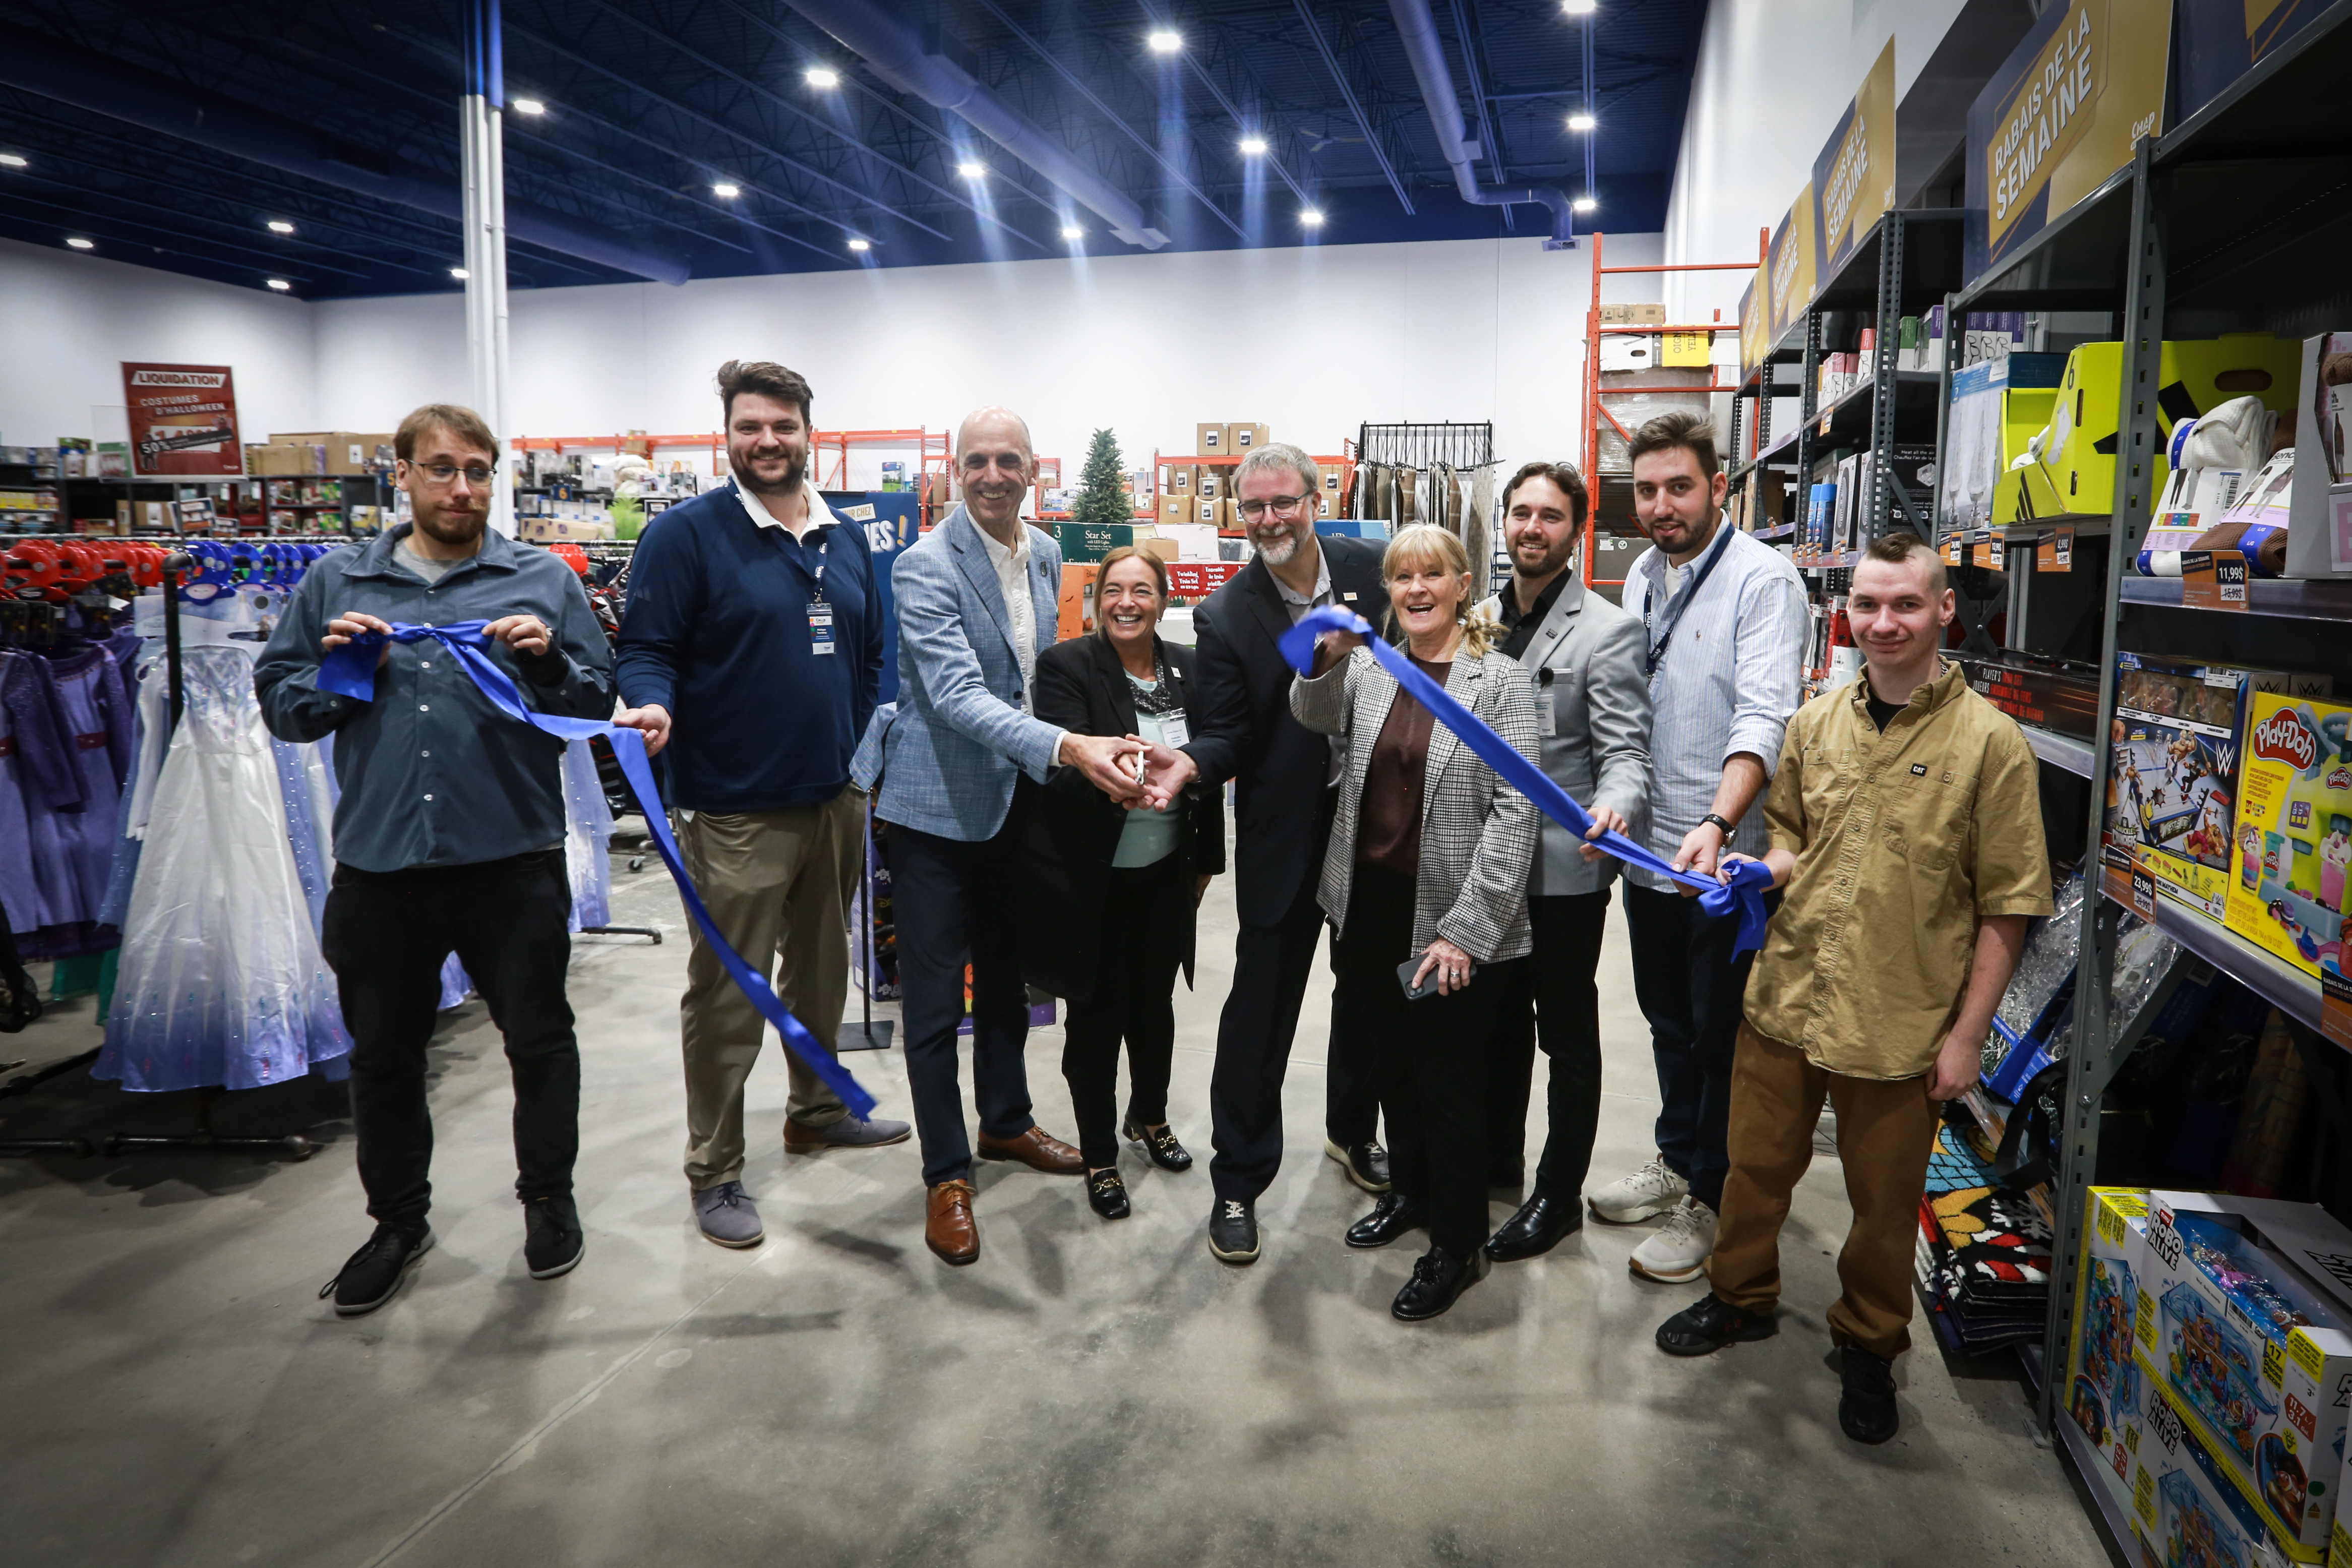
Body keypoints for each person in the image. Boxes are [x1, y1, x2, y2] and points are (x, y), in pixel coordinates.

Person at [1655, 531, 2050, 1445]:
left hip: (1898, 1017)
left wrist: (1966, 1037)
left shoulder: (1992, 744)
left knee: (1882, 1205)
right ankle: (1739, 1295)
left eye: (1905, 604)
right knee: (1752, 1169)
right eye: (1867, 604)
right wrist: (1757, 868)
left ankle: (1870, 1343)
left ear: (1943, 609)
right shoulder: (1814, 722)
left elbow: (2008, 906)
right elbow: (1793, 841)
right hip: (1787, 992)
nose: (1883, 622)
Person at [255, 403, 616, 1316]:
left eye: (479, 471)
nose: (463, 488)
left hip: (511, 862)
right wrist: (344, 674)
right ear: (404, 474)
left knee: (540, 1044)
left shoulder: (541, 579)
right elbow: (284, 707)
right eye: (444, 468)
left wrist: (546, 666)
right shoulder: (338, 581)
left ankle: (549, 1197)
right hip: (382, 869)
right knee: (383, 1059)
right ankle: (396, 1222)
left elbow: (593, 703)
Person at [612, 359, 910, 1252]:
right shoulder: (685, 534)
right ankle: (714, 1166)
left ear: (808, 432)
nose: (767, 441)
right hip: (734, 807)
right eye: (750, 426)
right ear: (728, 435)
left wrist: (856, 756)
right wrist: (650, 703)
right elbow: (646, 648)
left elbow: (870, 653)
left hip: (833, 799)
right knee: (729, 994)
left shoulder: (841, 535)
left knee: (819, 975)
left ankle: (815, 1111)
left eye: (783, 425)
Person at [867, 405, 1149, 1265]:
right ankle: (945, 1173)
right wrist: (1069, 747)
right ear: (956, 470)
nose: (992, 475)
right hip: (936, 810)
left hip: (1015, 804)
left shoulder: (1047, 552)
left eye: (1008, 460)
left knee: (1005, 984)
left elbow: (1034, 677)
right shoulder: (923, 565)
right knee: (931, 1003)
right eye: (977, 460)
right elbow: (954, 695)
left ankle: (1005, 1121)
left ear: (1032, 470)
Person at [1134, 441, 1389, 1267]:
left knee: (1368, 993)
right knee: (1260, 1010)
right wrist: (1191, 763)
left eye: (1284, 502)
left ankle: (1353, 1132)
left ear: (1316, 499)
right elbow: (1229, 732)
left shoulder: (1374, 570)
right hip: (1284, 833)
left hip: (1377, 824)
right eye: (1254, 507)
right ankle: (1238, 1181)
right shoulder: (1227, 613)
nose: (1270, 519)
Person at [1292, 524, 1540, 1321]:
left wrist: (1466, 929)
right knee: (1392, 1065)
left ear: (1463, 586)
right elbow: (1311, 713)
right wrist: (1321, 657)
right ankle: (1410, 1191)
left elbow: (1516, 811)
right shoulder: (1373, 667)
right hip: (1369, 904)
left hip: (1448, 912)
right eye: (1402, 577)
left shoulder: (1499, 680)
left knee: (1446, 1080)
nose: (1416, 588)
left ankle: (1458, 1243)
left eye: (1432, 574)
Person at [1589, 409, 1805, 1285]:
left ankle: (1711, 1198)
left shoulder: (1763, 579)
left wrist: (1715, 826)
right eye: (1646, 490)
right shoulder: (1643, 574)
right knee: (1667, 1022)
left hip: (1725, 866)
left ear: (1718, 486)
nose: (1661, 506)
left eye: (1678, 486)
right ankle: (1677, 1158)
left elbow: (1764, 715)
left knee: (1722, 1040)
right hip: (1649, 856)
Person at [1475, 462, 1653, 1263]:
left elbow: (1624, 752)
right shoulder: (1477, 621)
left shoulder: (1606, 629)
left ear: (1574, 530)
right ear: (1504, 522)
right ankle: (1495, 1162)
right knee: (1496, 1025)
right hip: (1487, 866)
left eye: (1549, 515)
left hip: (1561, 870)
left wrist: (1615, 806)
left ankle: (1557, 1194)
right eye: (1521, 512)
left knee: (1566, 1036)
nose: (1531, 527)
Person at [1019, 547, 1226, 1220]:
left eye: (1141, 590)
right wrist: (1121, 782)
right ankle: (1099, 1153)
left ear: (1163, 600)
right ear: (1097, 600)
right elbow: (1060, 768)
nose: (1126, 603)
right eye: (1113, 590)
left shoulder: (1189, 667)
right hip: (1093, 878)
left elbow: (1205, 773)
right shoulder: (1067, 666)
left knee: (1155, 1007)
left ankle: (1151, 1116)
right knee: (1097, 1017)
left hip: (1165, 873)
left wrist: (1205, 862)